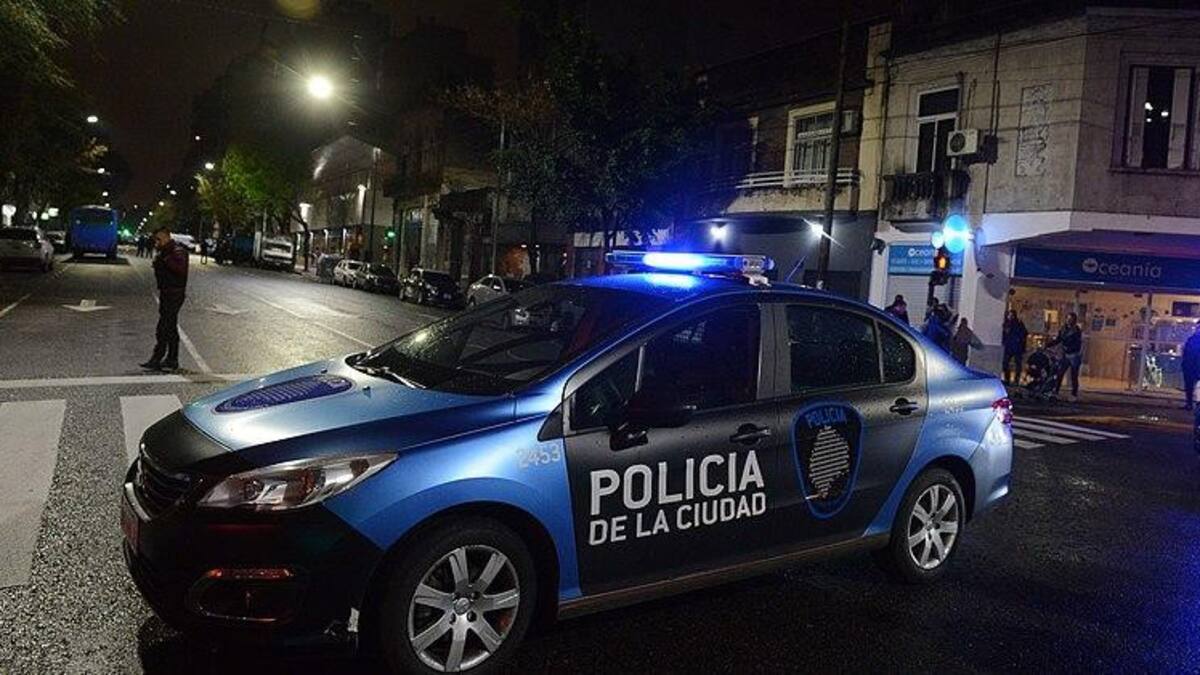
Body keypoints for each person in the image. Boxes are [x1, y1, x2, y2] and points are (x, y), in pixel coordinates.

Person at [140, 226, 189, 371]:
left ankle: (157, 358)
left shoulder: (177, 251)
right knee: (171, 327)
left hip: (174, 294)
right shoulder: (165, 252)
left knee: (163, 328)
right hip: (166, 292)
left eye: (159, 239)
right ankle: (172, 359)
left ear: (167, 236)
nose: (157, 242)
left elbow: (180, 270)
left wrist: (164, 260)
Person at [1049, 312, 1084, 401]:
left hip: (1074, 354)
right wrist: (1049, 344)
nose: (1069, 321)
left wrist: (1069, 347)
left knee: (1073, 375)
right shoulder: (1063, 328)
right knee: (1060, 373)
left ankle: (1074, 394)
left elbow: (1077, 343)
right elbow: (1059, 339)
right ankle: (1056, 391)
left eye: (1071, 319)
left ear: (1074, 320)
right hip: (1065, 354)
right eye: (1068, 319)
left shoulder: (1076, 330)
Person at [1002, 310, 1029, 385]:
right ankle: (1008, 379)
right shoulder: (1008, 324)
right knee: (1006, 363)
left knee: (1017, 364)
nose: (1010, 317)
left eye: (1011, 315)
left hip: (1016, 347)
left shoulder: (1018, 324)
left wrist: (1021, 344)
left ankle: (1015, 380)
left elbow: (1024, 334)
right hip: (1010, 347)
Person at [1181, 325, 1200, 410]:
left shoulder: (1192, 339)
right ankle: (1191, 404)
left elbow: (1186, 352)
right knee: (1190, 386)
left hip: (1191, 366)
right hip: (1192, 366)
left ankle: (1189, 404)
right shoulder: (1192, 339)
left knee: (1189, 386)